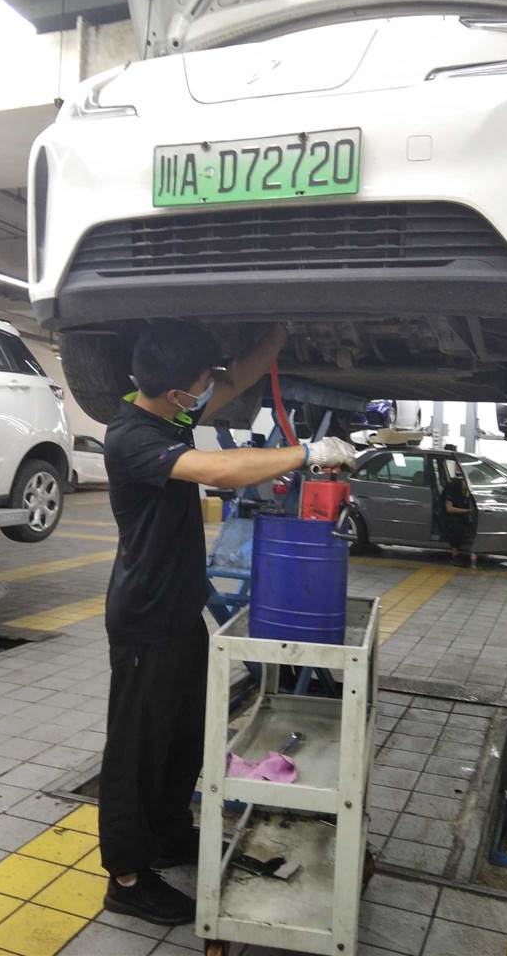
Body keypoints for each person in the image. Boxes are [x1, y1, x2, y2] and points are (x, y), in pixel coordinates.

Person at [99, 320, 356, 926]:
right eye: (201, 383)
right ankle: (126, 877)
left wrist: (279, 330)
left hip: (179, 613)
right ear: (176, 392)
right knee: (136, 752)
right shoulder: (131, 436)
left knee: (183, 736)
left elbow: (237, 378)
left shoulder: (170, 416)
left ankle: (167, 835)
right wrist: (308, 452)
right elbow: (219, 470)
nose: (209, 389)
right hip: (143, 622)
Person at [444, 465, 477, 568]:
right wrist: (467, 511)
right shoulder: (452, 487)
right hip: (451, 515)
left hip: (463, 514)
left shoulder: (469, 492)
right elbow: (449, 509)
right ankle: (454, 555)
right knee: (457, 525)